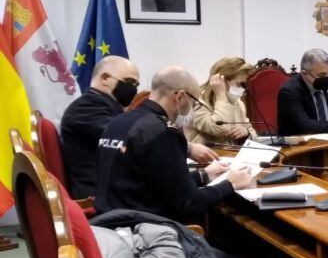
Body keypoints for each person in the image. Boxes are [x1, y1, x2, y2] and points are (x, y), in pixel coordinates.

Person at [94, 65, 253, 222]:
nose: (191, 109)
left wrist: (204, 174)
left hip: (109, 222)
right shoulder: (163, 132)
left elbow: (159, 183)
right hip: (144, 229)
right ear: (180, 97)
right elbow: (190, 203)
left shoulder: (119, 121)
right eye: (193, 103)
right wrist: (230, 184)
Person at [59, 55, 140, 199]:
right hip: (100, 197)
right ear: (104, 79)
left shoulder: (104, 105)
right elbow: (128, 137)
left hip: (113, 190)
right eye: (129, 82)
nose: (133, 90)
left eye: (136, 85)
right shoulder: (87, 107)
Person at [277, 48, 328, 135]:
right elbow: (305, 125)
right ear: (304, 73)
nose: (327, 78)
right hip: (300, 144)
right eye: (322, 75)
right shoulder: (289, 91)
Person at [186, 57, 256, 146]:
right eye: (239, 84)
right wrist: (221, 95)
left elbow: (253, 133)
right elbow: (220, 128)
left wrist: (246, 132)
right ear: (220, 80)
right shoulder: (196, 102)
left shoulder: (237, 103)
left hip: (232, 156)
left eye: (244, 85)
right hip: (206, 157)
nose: (242, 89)